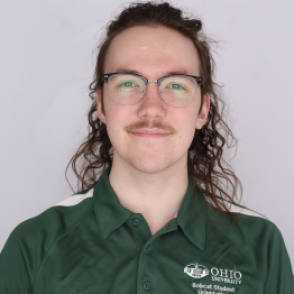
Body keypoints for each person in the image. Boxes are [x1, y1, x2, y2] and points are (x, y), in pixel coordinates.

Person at [0, 1, 293, 293]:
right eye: (128, 83)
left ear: (202, 109)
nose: (151, 109)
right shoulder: (33, 246)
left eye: (176, 85)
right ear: (101, 104)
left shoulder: (261, 246)